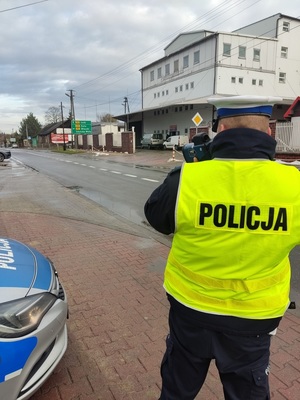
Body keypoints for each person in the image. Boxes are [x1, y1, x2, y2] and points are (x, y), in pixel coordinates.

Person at [144, 95, 300, 400]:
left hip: (190, 312)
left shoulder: (186, 179)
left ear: (221, 128)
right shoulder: (294, 185)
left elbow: (157, 218)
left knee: (177, 391)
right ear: (269, 132)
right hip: (254, 320)